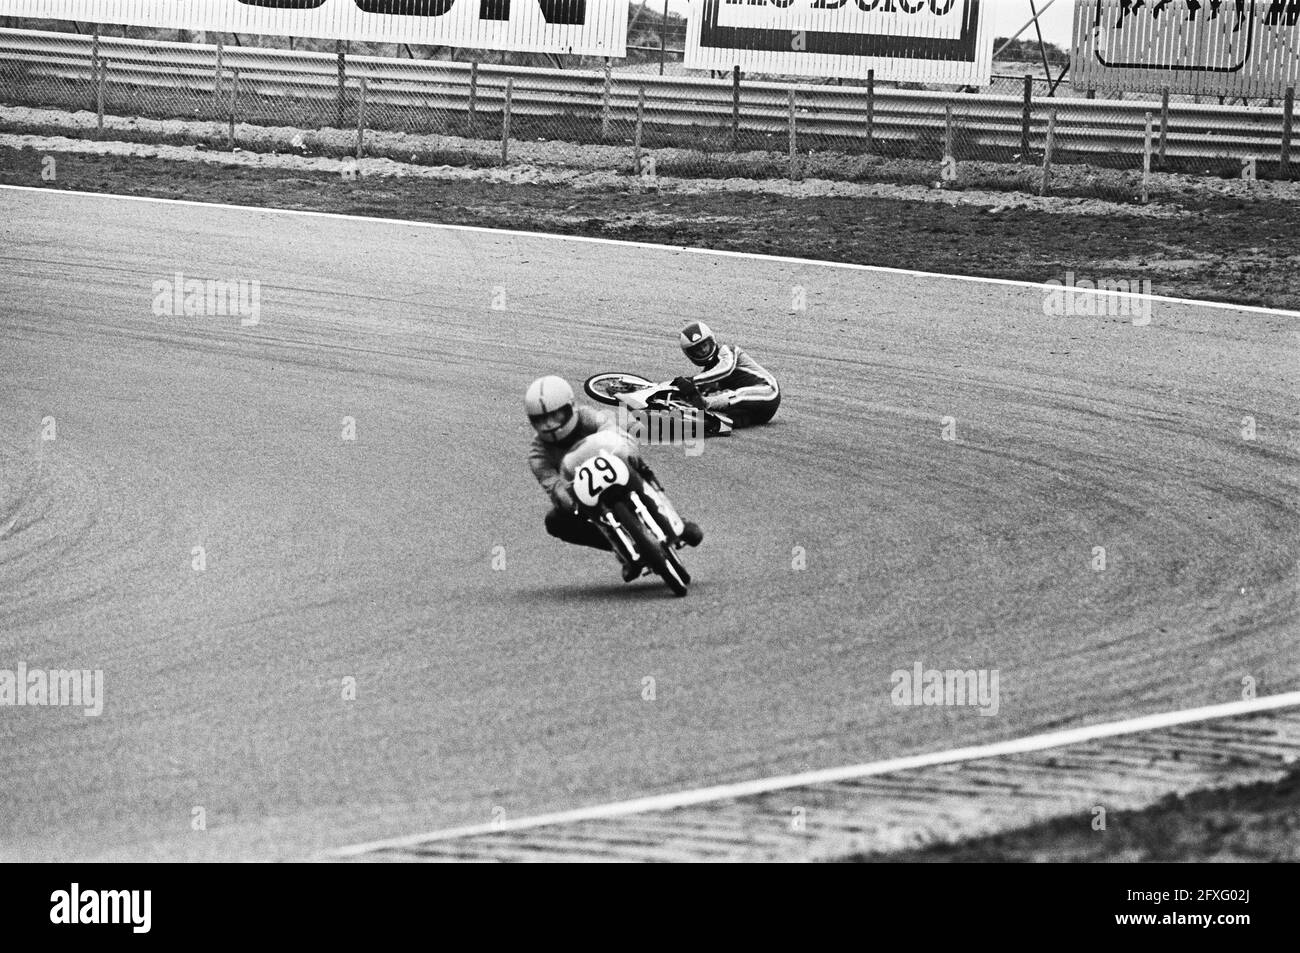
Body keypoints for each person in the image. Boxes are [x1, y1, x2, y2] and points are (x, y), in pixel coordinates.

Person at [525, 375, 702, 582]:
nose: (550, 425)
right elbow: (553, 485)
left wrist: (625, 449)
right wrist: (567, 499)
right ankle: (623, 550)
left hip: (618, 472)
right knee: (555, 521)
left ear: (570, 407)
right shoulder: (537, 455)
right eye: (542, 420)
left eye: (555, 416)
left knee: (636, 463)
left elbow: (614, 432)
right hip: (584, 495)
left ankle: (675, 520)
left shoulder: (587, 416)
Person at [671, 321, 780, 427]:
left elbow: (725, 369)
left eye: (705, 345)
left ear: (712, 341)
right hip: (756, 414)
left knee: (711, 401)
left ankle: (706, 407)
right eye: (698, 350)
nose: (703, 350)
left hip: (769, 392)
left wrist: (692, 381)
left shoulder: (729, 351)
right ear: (690, 354)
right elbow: (698, 392)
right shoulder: (706, 376)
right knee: (709, 405)